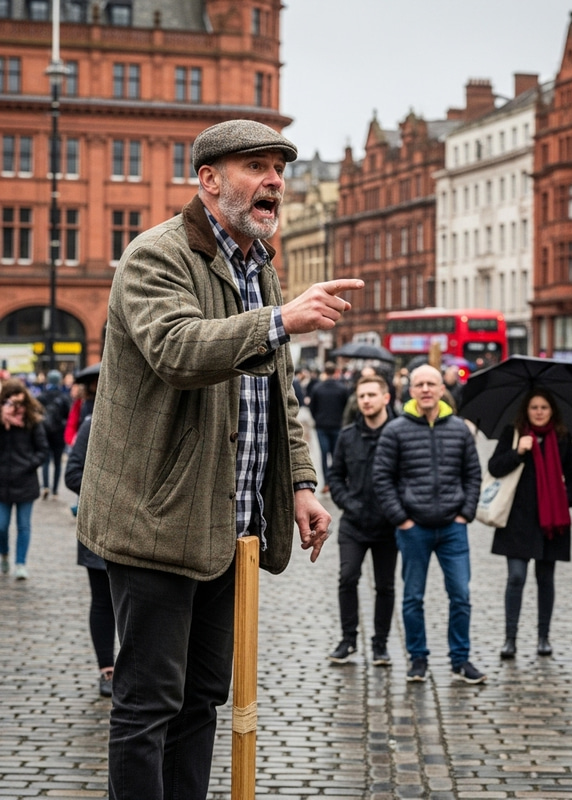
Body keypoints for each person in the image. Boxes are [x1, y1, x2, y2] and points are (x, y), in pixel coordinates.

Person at [75, 118, 363, 800]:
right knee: (149, 703)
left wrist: (298, 482)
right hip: (156, 519)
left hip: (231, 526)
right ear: (208, 181)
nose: (274, 181)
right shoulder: (158, 254)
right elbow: (176, 348)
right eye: (256, 167)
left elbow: (279, 395)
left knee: (202, 698)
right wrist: (278, 321)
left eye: (279, 169)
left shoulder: (260, 266)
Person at [372, 364, 486, 684]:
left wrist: (466, 513)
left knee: (461, 595)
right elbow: (382, 478)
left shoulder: (460, 429)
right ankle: (418, 658)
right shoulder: (396, 430)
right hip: (414, 528)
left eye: (430, 384)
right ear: (411, 391)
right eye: (419, 384)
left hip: (453, 527)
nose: (425, 389)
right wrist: (401, 519)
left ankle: (460, 660)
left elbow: (473, 474)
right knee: (413, 597)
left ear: (441, 390)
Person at [487, 388, 572, 660]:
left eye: (544, 407)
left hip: (551, 520)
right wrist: (518, 452)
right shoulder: (513, 434)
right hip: (517, 520)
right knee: (516, 577)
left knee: (545, 579)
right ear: (525, 411)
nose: (539, 412)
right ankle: (510, 639)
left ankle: (543, 637)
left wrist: (568, 499)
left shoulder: (562, 438)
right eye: (534, 408)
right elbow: (494, 467)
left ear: (552, 411)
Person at [327, 374, 398, 665]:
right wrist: (348, 503)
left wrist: (395, 508)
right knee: (348, 578)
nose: (365, 400)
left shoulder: (398, 433)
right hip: (354, 524)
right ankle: (348, 639)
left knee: (385, 586)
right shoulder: (347, 436)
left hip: (387, 526)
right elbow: (335, 476)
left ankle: (380, 644)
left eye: (371, 395)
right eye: (361, 396)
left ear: (385, 398)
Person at [65, 405, 116, 698]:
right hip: (98, 528)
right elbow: (72, 474)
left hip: (139, 534)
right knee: (103, 602)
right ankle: (107, 670)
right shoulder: (92, 423)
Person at [0, 378, 48, 580]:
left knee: (23, 525)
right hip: (1, 482)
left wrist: (28, 465)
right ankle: (4, 554)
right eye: (11, 403)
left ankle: (20, 563)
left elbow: (42, 450)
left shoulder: (32, 421)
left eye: (19, 403)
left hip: (25, 481)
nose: (15, 407)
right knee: (1, 526)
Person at [308, 361, 350, 492]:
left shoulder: (317, 388)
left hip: (322, 426)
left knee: (324, 454)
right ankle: (336, 481)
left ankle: (327, 482)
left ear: (325, 372)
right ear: (335, 372)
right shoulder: (342, 388)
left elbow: (312, 407)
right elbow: (346, 407)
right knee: (336, 455)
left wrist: (317, 418)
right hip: (337, 425)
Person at [38, 369, 71, 499]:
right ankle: (55, 491)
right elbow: (69, 416)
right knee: (57, 463)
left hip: (44, 433)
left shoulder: (41, 396)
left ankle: (45, 486)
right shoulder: (63, 397)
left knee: (45, 461)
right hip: (59, 434)